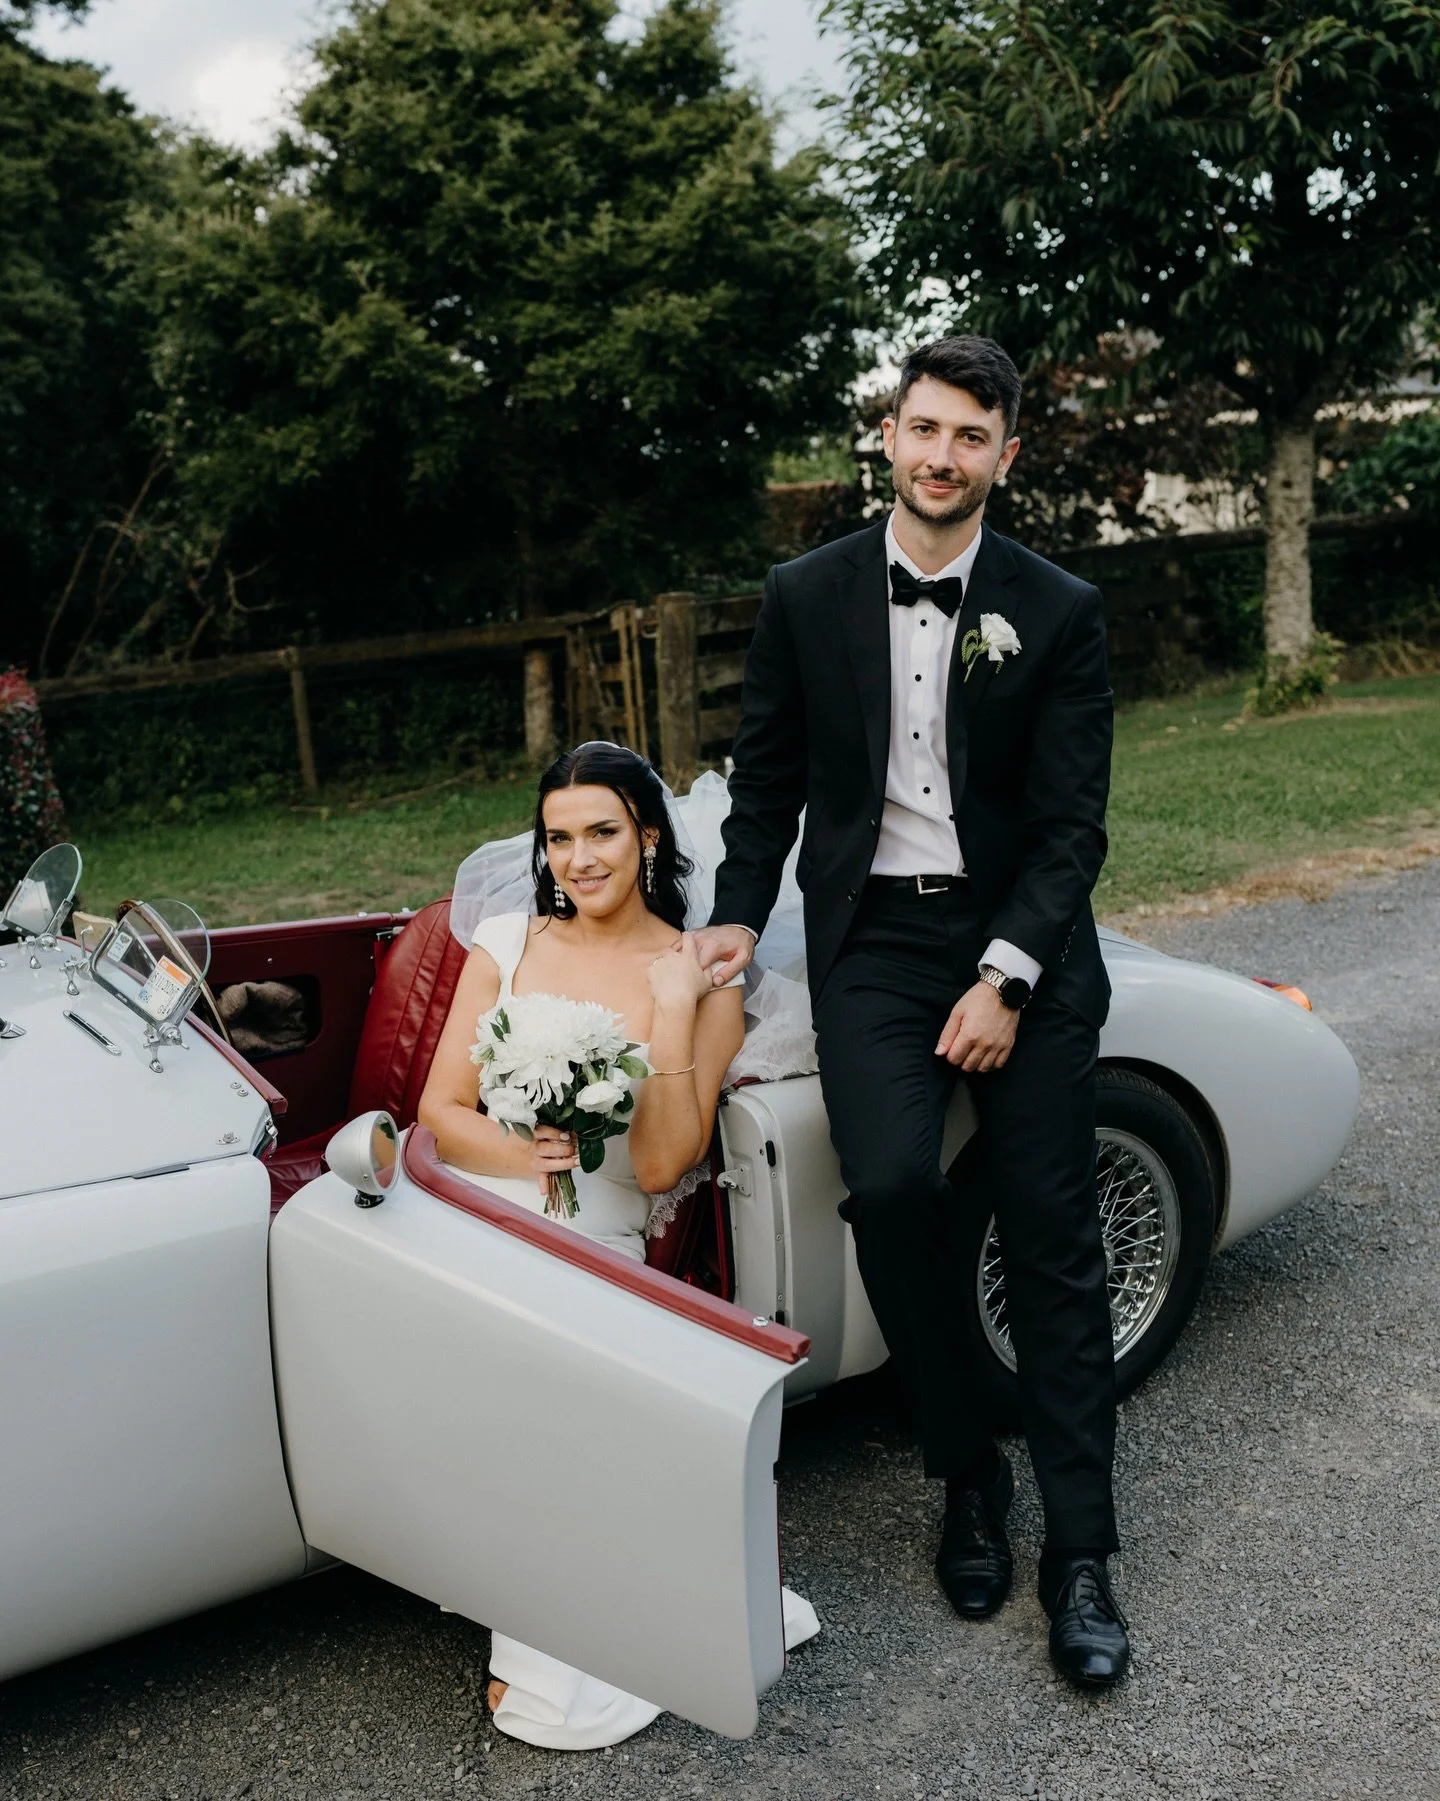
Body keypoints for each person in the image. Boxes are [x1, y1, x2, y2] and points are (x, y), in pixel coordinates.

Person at [692, 336, 1130, 1688]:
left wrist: (1006, 976)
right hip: (874, 937)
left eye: (971, 437)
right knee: (887, 1188)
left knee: (1054, 1236)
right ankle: (966, 1467)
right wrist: (731, 912)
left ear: (1007, 454)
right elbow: (764, 786)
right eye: (922, 428)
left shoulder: (1057, 610)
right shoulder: (803, 593)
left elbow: (1070, 829)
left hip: (1023, 943)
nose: (942, 456)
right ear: (886, 434)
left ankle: (1081, 1552)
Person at [418, 740, 818, 1749]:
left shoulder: (703, 971)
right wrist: (521, 1145)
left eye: (602, 832)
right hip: (483, 1189)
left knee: (538, 1356)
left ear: (647, 835)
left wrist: (675, 1017)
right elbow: (437, 1111)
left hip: (600, 1222)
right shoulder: (506, 942)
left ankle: (548, 1641)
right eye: (558, 837)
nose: (578, 858)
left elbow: (657, 1166)